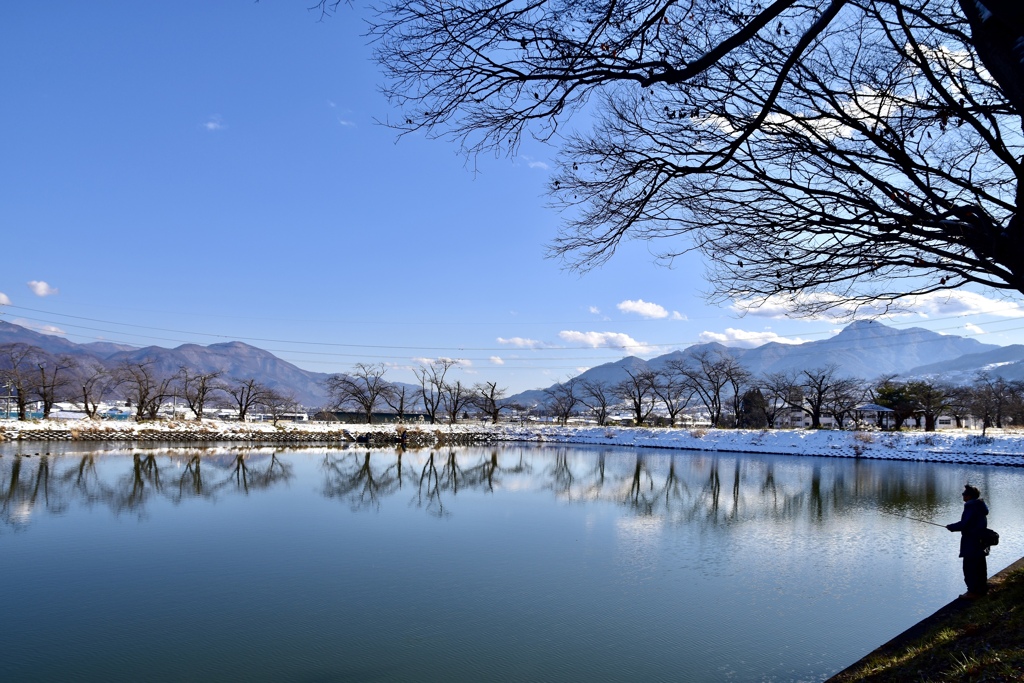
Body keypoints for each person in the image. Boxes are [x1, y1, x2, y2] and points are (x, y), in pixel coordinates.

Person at [946, 484, 989, 599]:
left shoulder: (971, 506)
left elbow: (965, 524)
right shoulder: (980, 506)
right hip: (980, 541)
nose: (962, 496)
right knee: (980, 566)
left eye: (964, 494)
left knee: (969, 567)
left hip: (971, 542)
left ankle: (973, 592)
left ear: (969, 496)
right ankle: (981, 589)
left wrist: (951, 527)